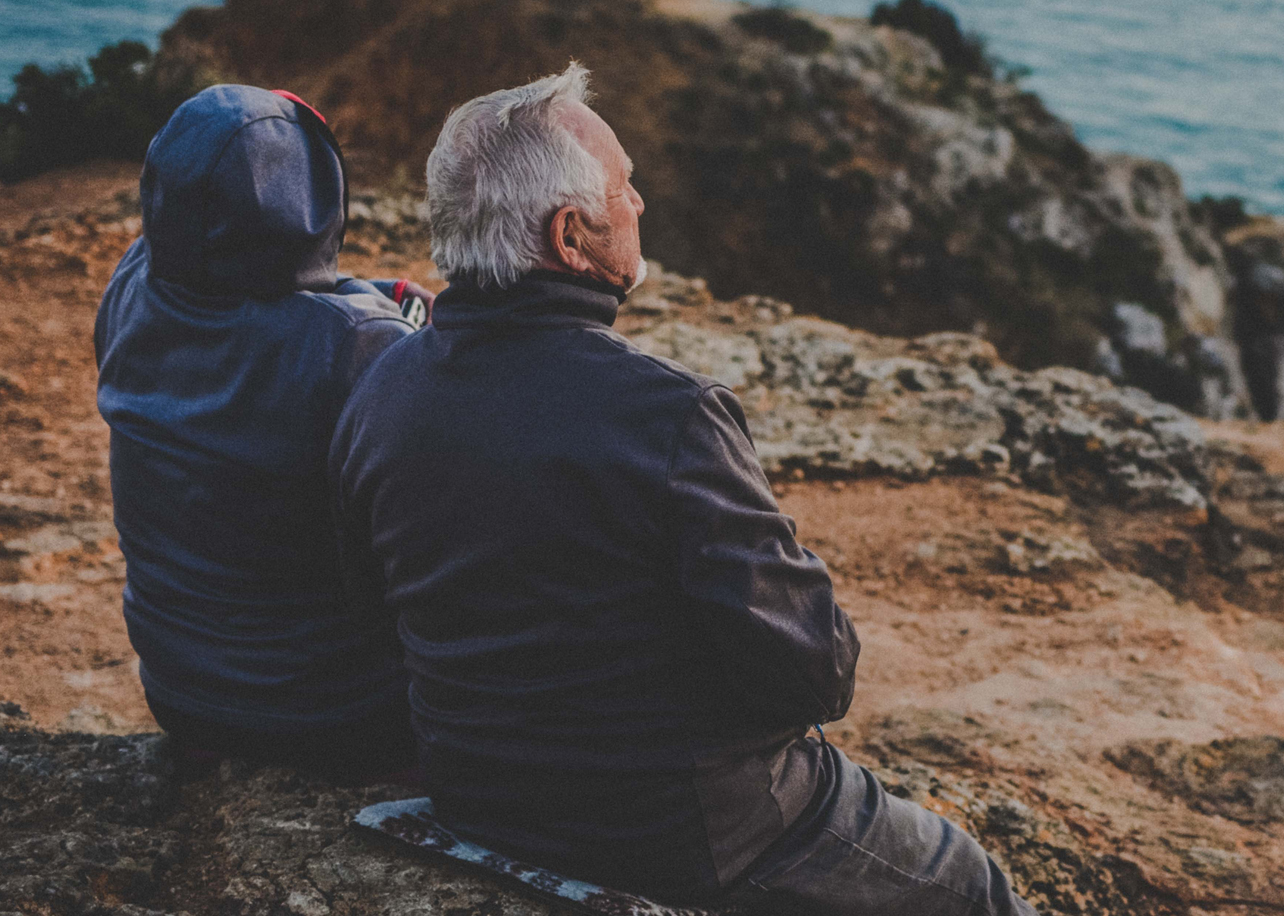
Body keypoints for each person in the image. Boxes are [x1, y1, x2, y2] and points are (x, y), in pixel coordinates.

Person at [331, 65, 1037, 912]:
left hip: (475, 793)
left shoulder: (381, 388)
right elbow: (816, 675)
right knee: (968, 882)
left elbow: (369, 605)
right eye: (625, 190)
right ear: (569, 235)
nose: (641, 206)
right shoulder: (666, 416)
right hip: (692, 829)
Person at [96, 84, 430, 777]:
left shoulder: (130, 288)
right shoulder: (358, 347)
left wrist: (368, 295)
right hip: (336, 713)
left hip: (180, 693)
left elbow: (250, 295)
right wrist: (401, 314)